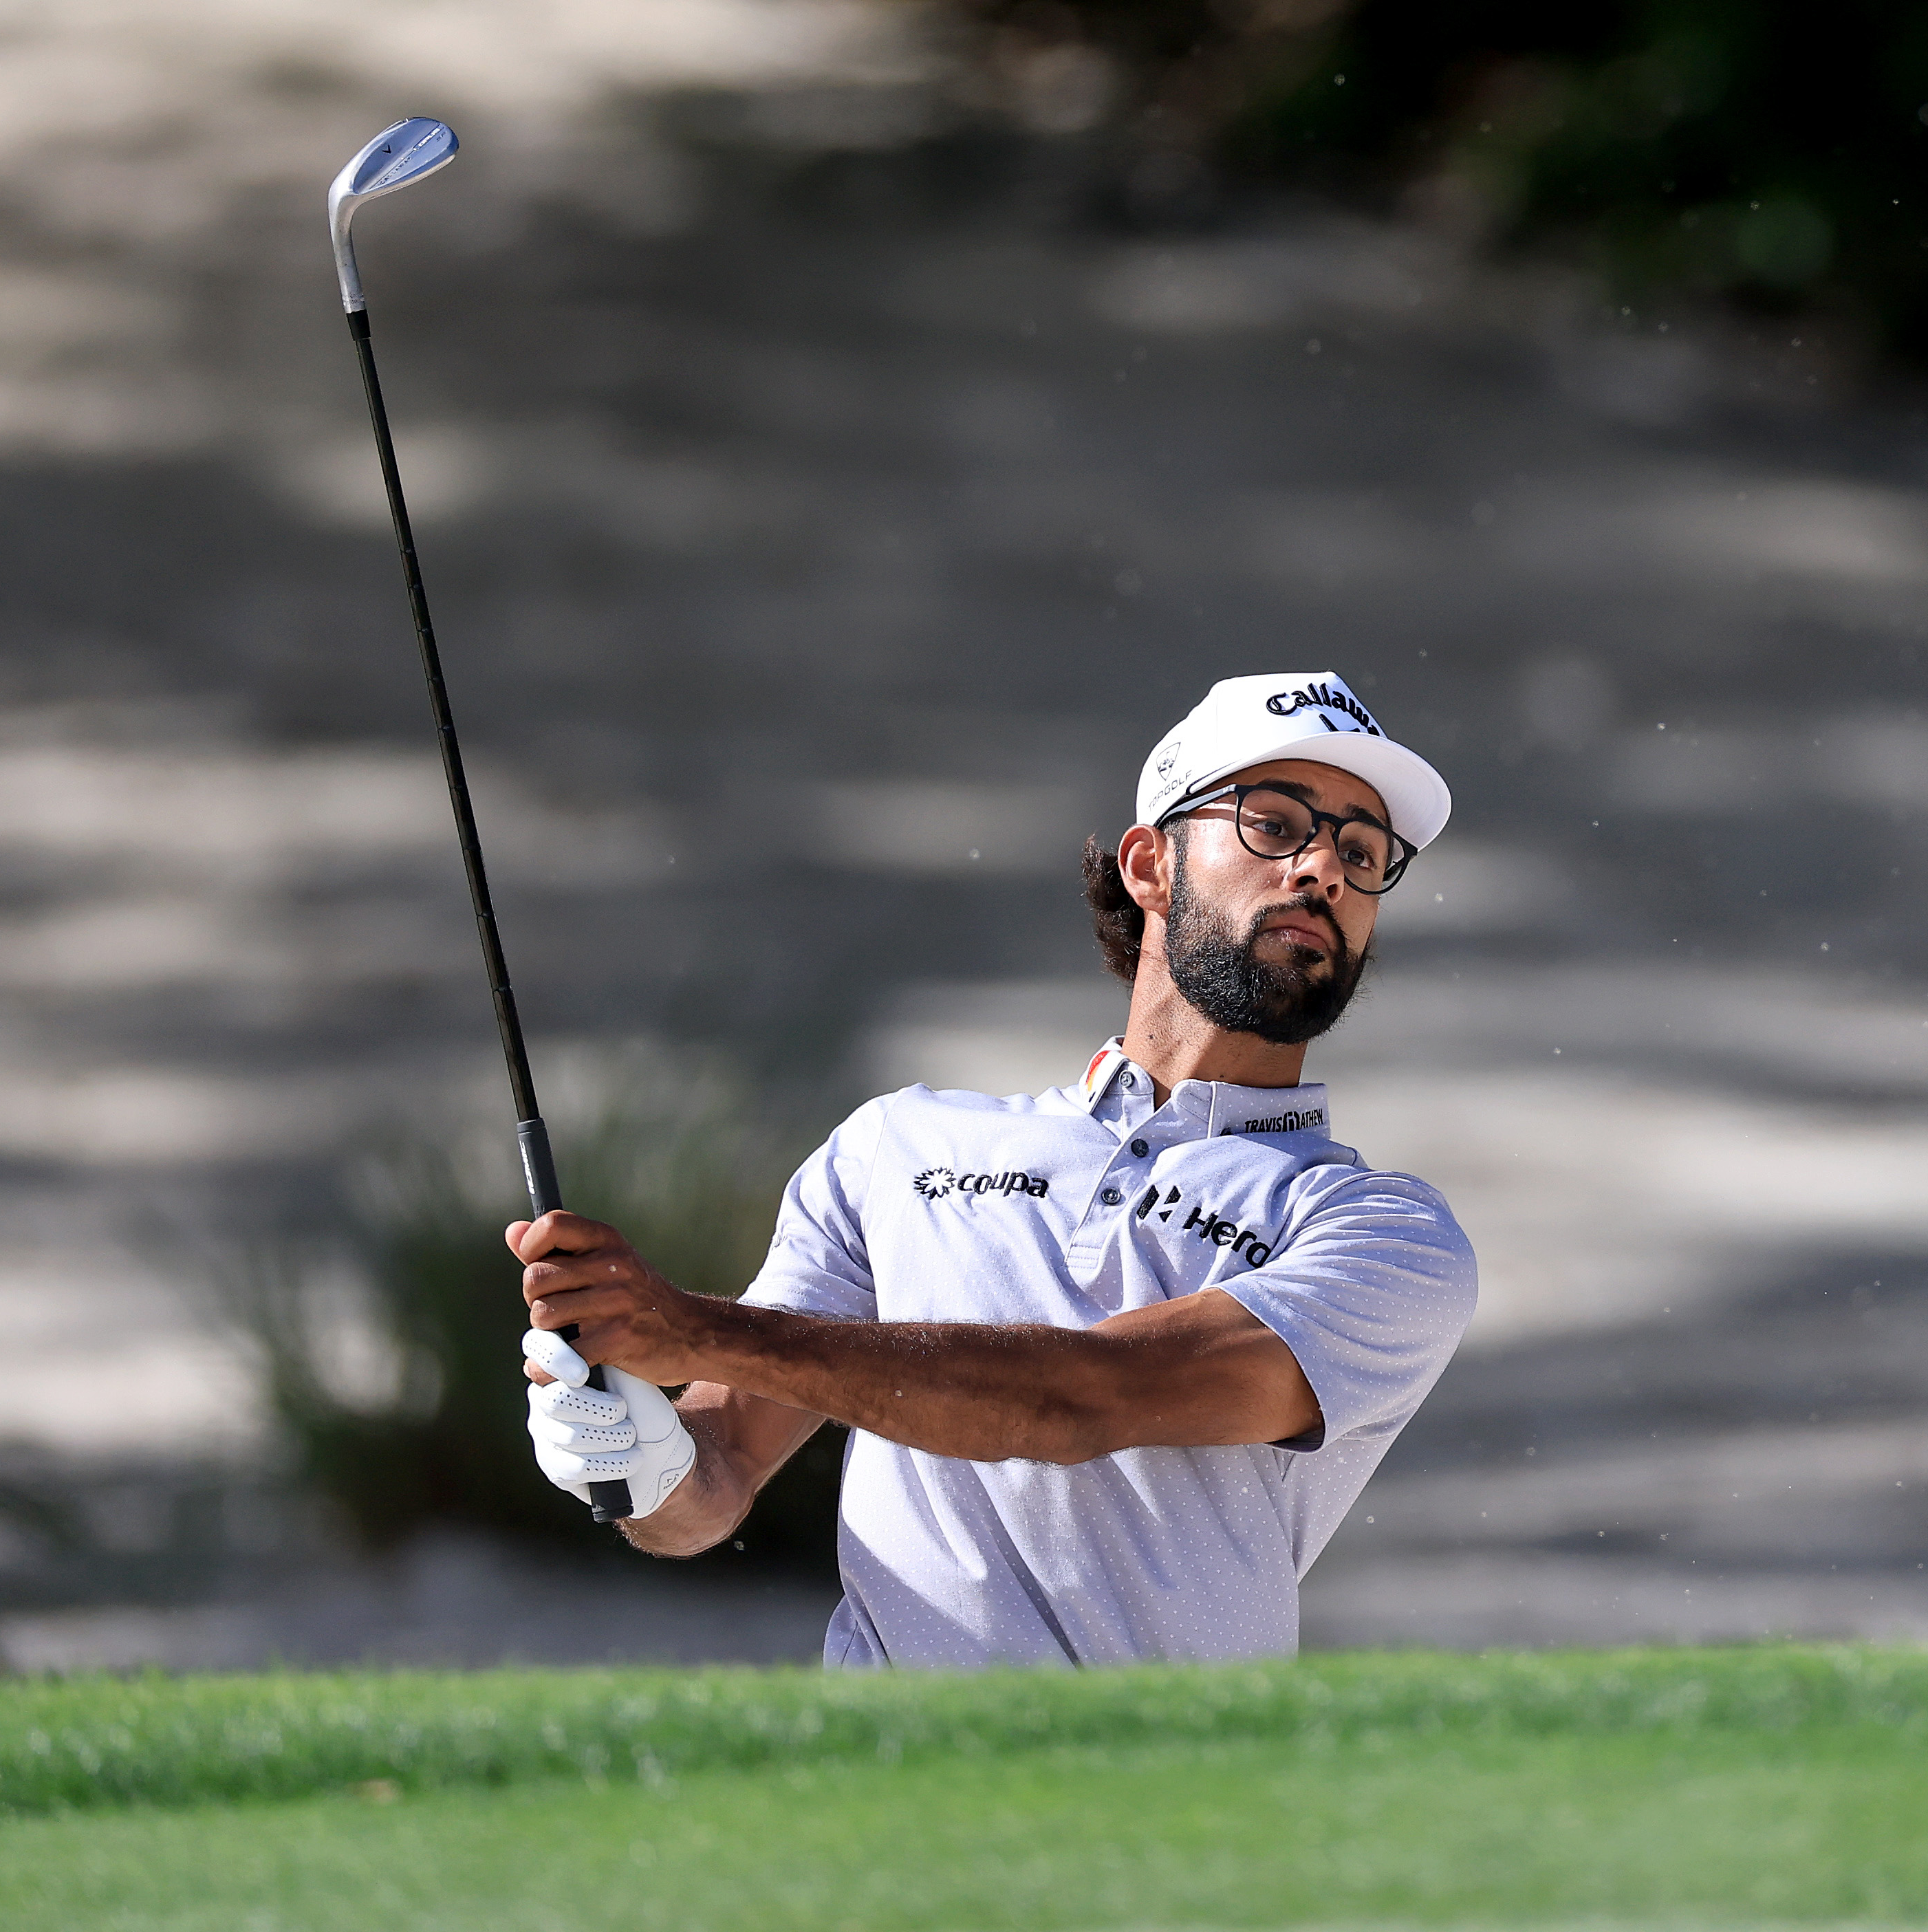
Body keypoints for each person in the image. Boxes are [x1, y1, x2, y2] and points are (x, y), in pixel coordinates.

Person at [506, 673, 1478, 1667]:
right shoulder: (902, 1146)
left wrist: (701, 1331)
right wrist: (641, 1454)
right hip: (882, 1790)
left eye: (1362, 853)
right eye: (1276, 823)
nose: (1323, 867)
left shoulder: (1384, 1234)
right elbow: (712, 1492)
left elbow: (1083, 1399)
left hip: (1175, 1805)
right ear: (1150, 866)